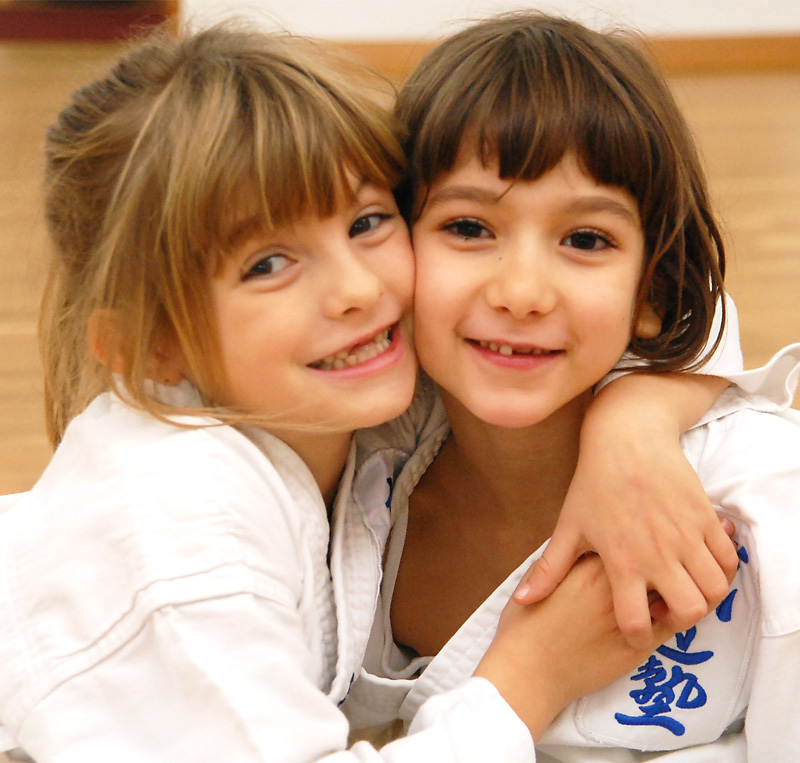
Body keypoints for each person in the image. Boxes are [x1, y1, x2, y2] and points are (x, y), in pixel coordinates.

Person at [0, 21, 736, 763]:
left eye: (368, 220)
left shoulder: (331, 392)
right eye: (267, 264)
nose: (358, 289)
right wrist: (530, 673)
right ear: (150, 344)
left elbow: (677, 305)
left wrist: (632, 426)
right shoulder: (182, 544)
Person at [343, 12, 800, 760]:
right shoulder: (348, 478)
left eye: (586, 239)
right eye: (467, 227)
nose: (523, 290)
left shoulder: (765, 500)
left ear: (651, 290)